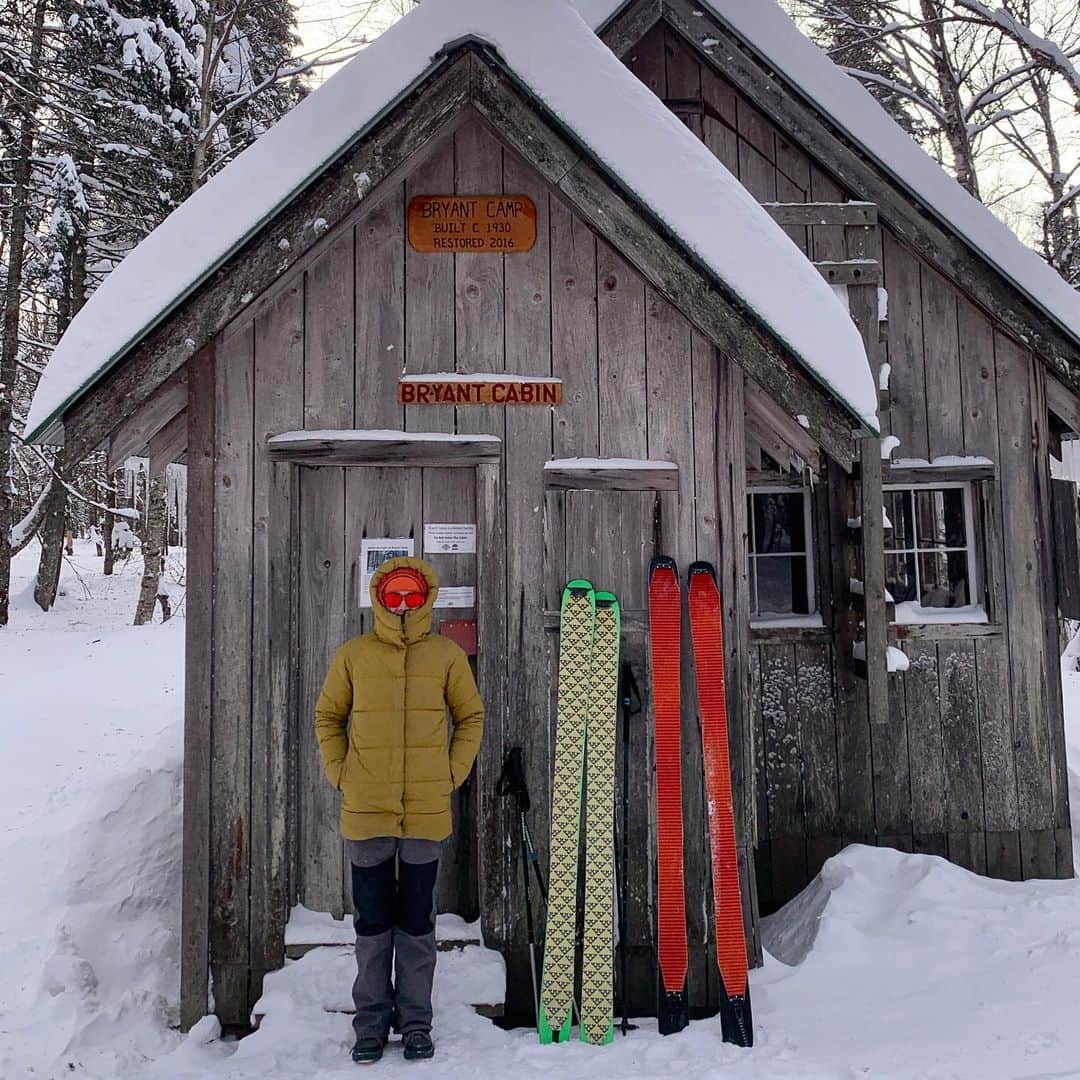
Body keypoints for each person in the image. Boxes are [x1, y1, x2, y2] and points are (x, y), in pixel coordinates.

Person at [314, 556, 484, 1065]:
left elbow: (469, 716)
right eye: (395, 596)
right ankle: (369, 1024)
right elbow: (328, 716)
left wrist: (451, 773)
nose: (405, 604)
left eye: (412, 595)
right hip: (366, 812)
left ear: (426, 597)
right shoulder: (354, 656)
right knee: (371, 923)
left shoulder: (447, 656)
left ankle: (414, 1022)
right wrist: (342, 772)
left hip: (425, 815)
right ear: (380, 600)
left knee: (415, 923)